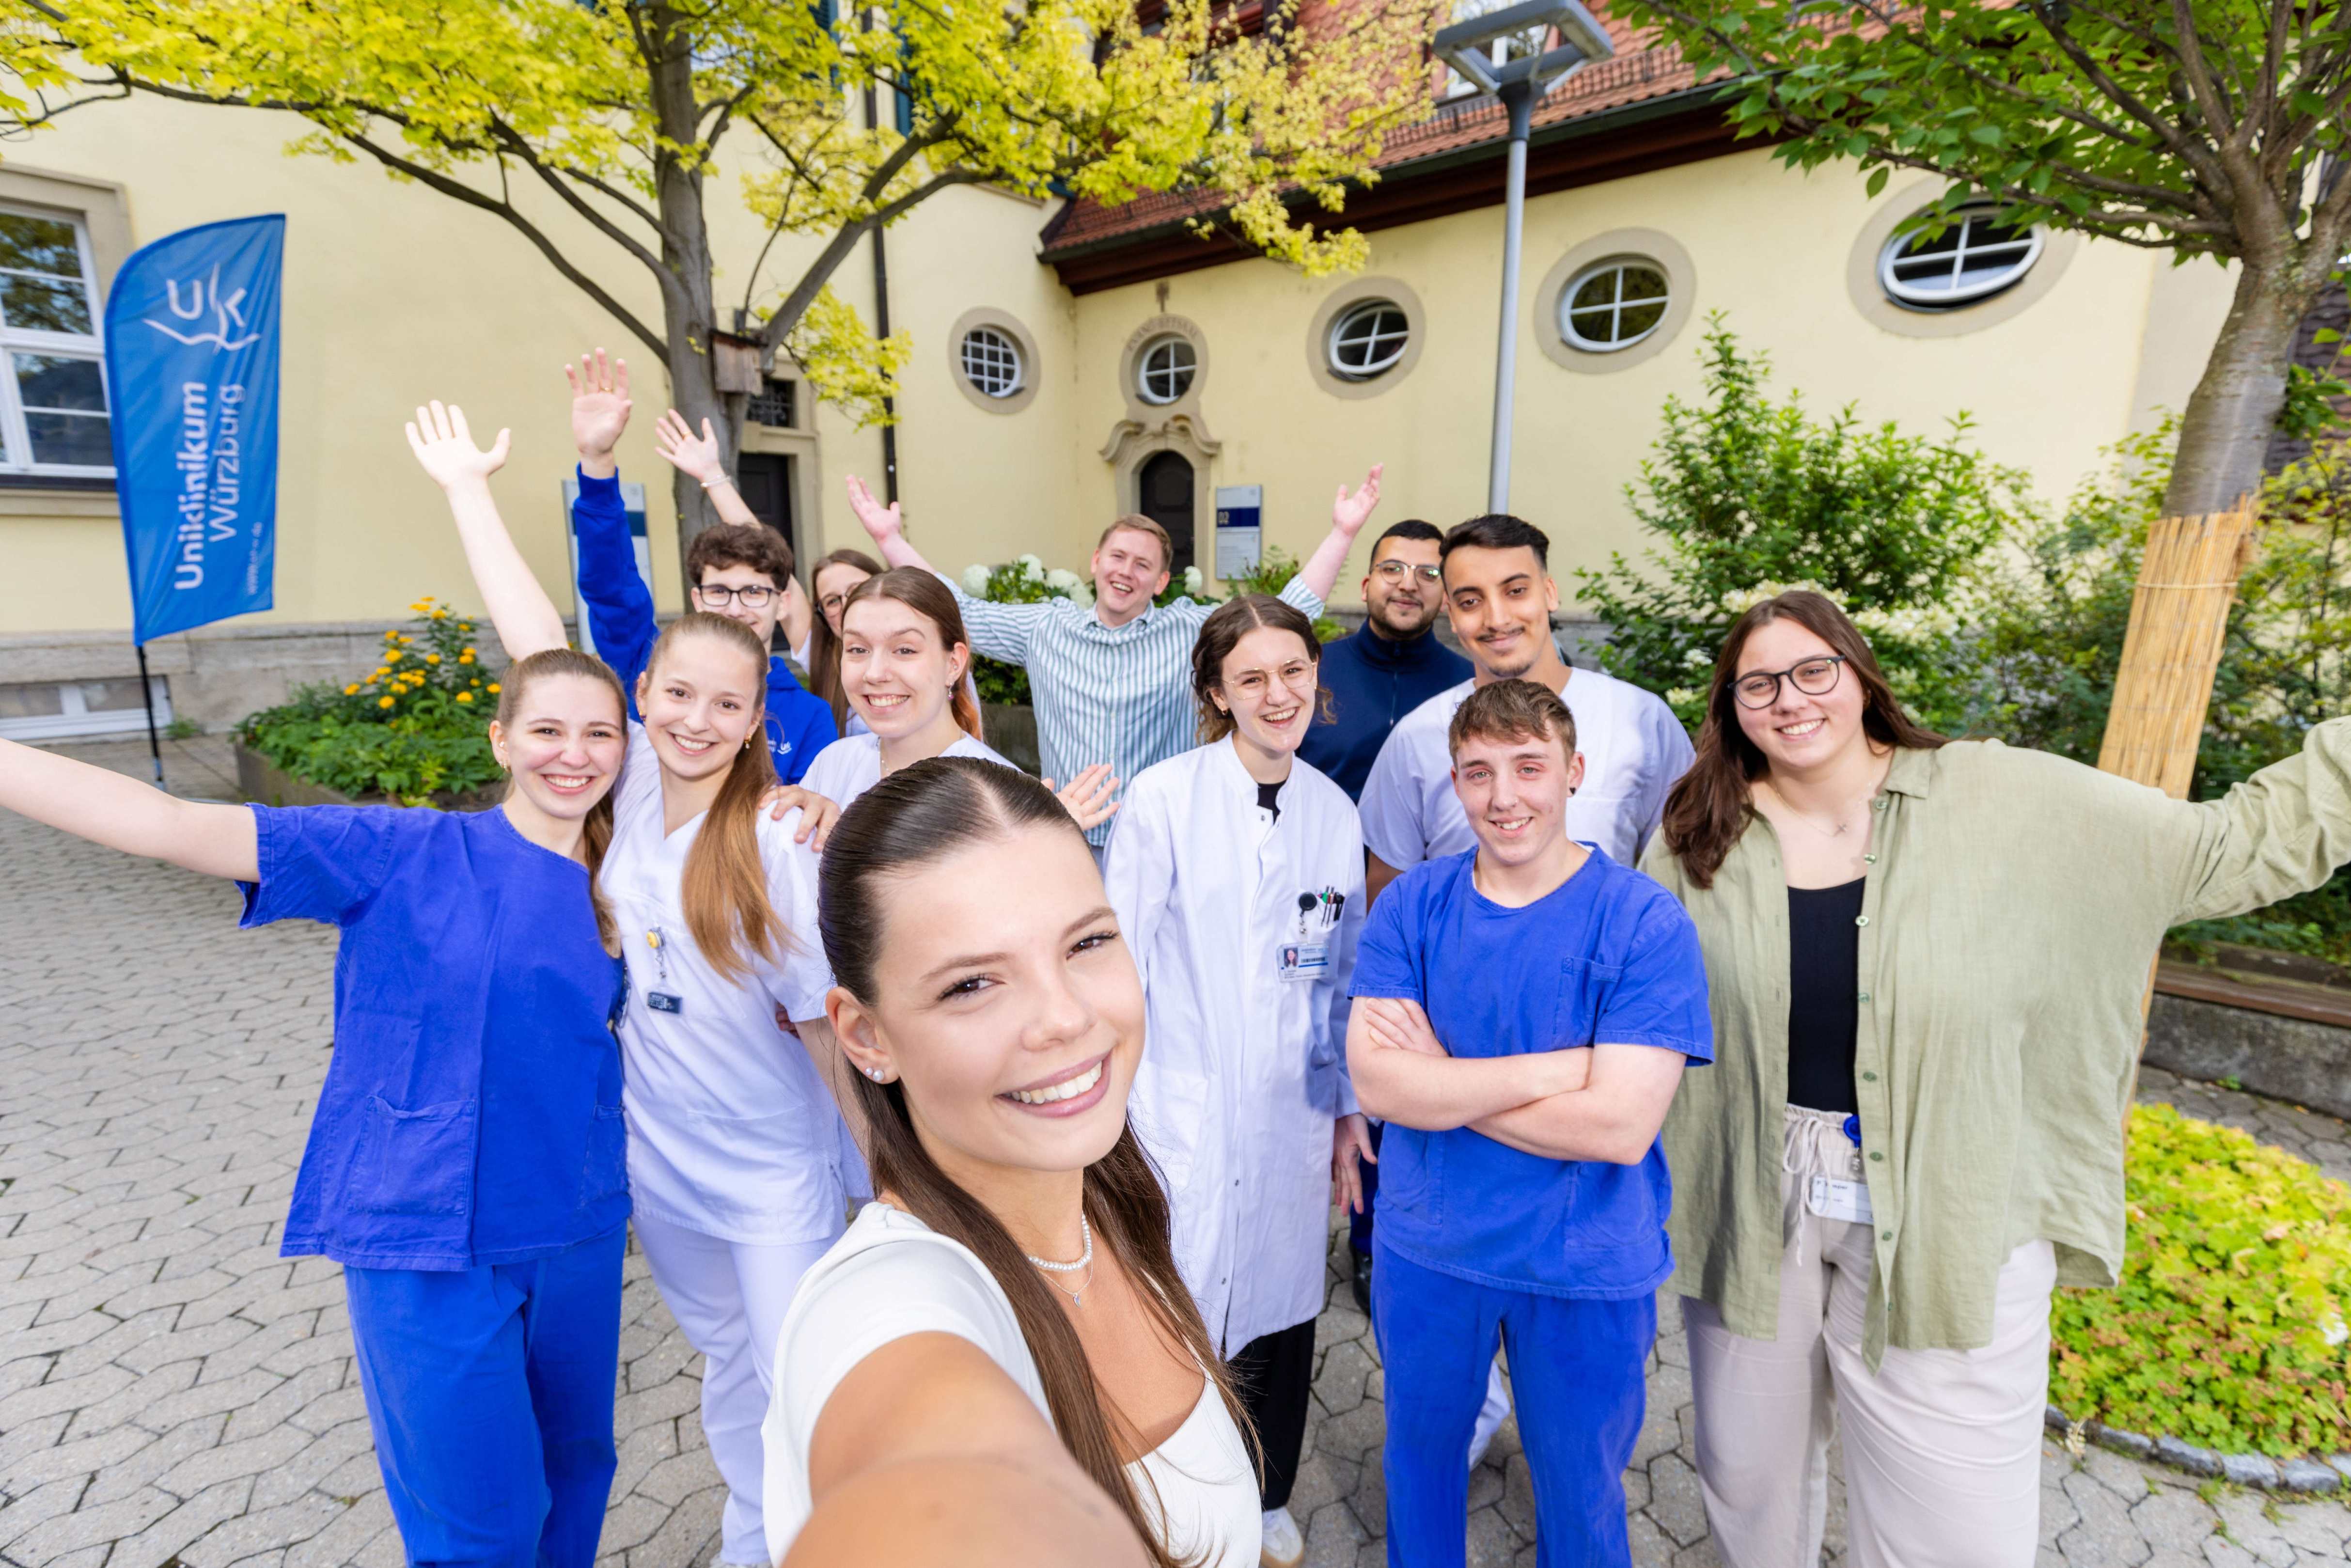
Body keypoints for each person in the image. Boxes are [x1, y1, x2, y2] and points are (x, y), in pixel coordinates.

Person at [1641, 590, 2351, 1568]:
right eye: (1756, 682)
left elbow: (2218, 850)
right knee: (1744, 1484)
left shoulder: (1999, 797)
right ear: (1728, 706)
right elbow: (1626, 998)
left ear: (1859, 677)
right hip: (1747, 1197)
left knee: (1951, 1524)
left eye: (1814, 670)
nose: (1789, 698)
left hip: (1948, 1200)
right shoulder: (1695, 833)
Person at [1, 641, 634, 1565]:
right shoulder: (402, 851)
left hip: (573, 1230)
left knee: (576, 1476)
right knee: (478, 1526)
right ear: (500, 741)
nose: (571, 753)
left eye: (597, 733)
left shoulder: (630, 882)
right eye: (546, 729)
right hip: (425, 1240)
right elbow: (167, 824)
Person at [411, 399, 862, 1568]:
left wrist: (886, 1171)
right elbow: (533, 645)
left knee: (804, 1387)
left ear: (760, 718)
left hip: (774, 1167)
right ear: (643, 693)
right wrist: (470, 492)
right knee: (730, 1367)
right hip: (657, 1165)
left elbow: (825, 1025)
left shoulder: (775, 837)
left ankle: (809, 1547)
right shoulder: (606, 808)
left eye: (726, 704)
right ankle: (750, 1535)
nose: (696, 720)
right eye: (675, 695)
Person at [760, 757, 1261, 1568]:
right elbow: (932, 1488)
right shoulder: (883, 1304)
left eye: (1088, 942)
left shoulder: (1106, 1198)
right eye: (970, 985)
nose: (1063, 1017)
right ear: (865, 1035)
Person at [1347, 679, 1712, 1568]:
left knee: (1581, 1490)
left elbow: (1619, 1129)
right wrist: (1556, 1074)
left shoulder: (1641, 920)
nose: (1502, 796)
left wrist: (1443, 1078)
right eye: (1477, 773)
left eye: (1527, 767)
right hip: (1431, 1250)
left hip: (1581, 1259)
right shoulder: (1412, 906)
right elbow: (1380, 1084)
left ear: (1573, 771)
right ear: (1454, 782)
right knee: (1421, 1466)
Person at [1103, 595, 1372, 1568]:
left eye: (1292, 672)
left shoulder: (1333, 812)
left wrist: (1344, 1109)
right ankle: (1161, 1487)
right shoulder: (1164, 795)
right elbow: (1115, 964)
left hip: (1289, 1113)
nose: (1276, 693)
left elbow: (1339, 976)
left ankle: (1263, 1497)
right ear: (1215, 691)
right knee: (1170, 1301)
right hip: (1174, 1103)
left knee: (1279, 1304)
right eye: (1250, 677)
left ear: (1314, 680)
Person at [842, 467, 1387, 856]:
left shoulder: (1188, 631)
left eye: (1144, 565)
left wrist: (1342, 533)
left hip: (1164, 839)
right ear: (1097, 561)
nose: (1127, 571)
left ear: (1162, 581)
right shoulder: (1046, 628)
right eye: (1118, 557)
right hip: (1066, 835)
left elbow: (1284, 614)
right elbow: (959, 610)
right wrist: (889, 539)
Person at [1359, 514, 1692, 906]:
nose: (1497, 619)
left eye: (1516, 591)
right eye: (1471, 601)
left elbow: (1683, 873)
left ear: (1549, 593)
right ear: (1450, 611)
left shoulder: (1641, 720)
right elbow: (1386, 891)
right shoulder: (1417, 737)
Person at [565, 349, 837, 783]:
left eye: (754, 592)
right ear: (697, 598)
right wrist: (597, 464)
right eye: (719, 591)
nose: (735, 607)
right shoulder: (651, 665)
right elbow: (612, 588)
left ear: (782, 602)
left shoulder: (808, 716)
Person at [798, 567, 1117, 832]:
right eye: (858, 649)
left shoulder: (998, 792)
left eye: (905, 650)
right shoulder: (833, 763)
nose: (875, 673)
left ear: (954, 663)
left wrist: (1037, 846)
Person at [1297, 519, 1471, 800]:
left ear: (1445, 598)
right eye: (1392, 569)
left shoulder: (1470, 687)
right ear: (1365, 587)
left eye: (1429, 574)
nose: (1408, 585)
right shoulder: (1310, 671)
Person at [803, 547, 884, 731]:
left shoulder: (926, 649)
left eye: (857, 589)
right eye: (832, 601)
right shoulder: (826, 664)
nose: (847, 605)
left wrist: (890, 540)